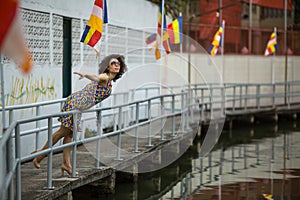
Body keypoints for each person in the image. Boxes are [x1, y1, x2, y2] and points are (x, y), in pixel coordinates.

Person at [32, 54, 127, 176]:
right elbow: (97, 78)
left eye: (118, 64)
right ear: (107, 67)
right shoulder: (105, 78)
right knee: (62, 132)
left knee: (70, 134)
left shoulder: (109, 82)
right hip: (74, 104)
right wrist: (86, 75)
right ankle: (40, 155)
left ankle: (66, 164)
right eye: (113, 63)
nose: (116, 65)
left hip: (78, 107)